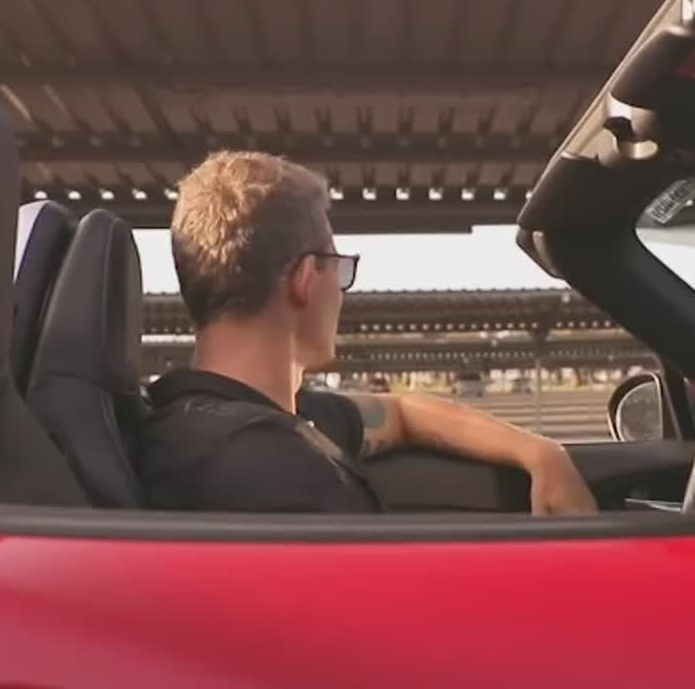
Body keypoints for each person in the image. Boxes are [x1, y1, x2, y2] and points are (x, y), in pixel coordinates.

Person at [137, 151, 597, 516]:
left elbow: (402, 413)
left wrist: (541, 455)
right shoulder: (282, 473)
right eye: (339, 267)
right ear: (306, 280)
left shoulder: (219, 421)